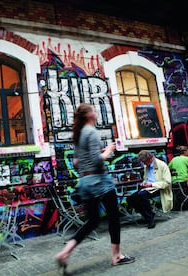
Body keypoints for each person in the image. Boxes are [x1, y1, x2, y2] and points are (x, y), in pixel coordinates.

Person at [54, 103, 135, 273]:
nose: (96, 113)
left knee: (92, 221)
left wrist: (96, 155)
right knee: (113, 217)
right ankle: (116, 256)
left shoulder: (79, 135)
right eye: (94, 110)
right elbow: (98, 160)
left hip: (84, 182)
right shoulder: (91, 132)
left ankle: (65, 251)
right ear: (90, 115)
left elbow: (76, 162)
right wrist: (109, 151)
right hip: (100, 181)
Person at [126, 150, 172, 229]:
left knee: (142, 195)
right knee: (130, 199)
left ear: (150, 159)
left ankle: (150, 219)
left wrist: (151, 184)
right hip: (148, 187)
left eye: (144, 162)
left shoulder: (162, 165)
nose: (144, 164)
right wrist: (144, 183)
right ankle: (148, 214)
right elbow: (146, 178)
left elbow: (167, 182)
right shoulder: (146, 167)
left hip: (158, 187)